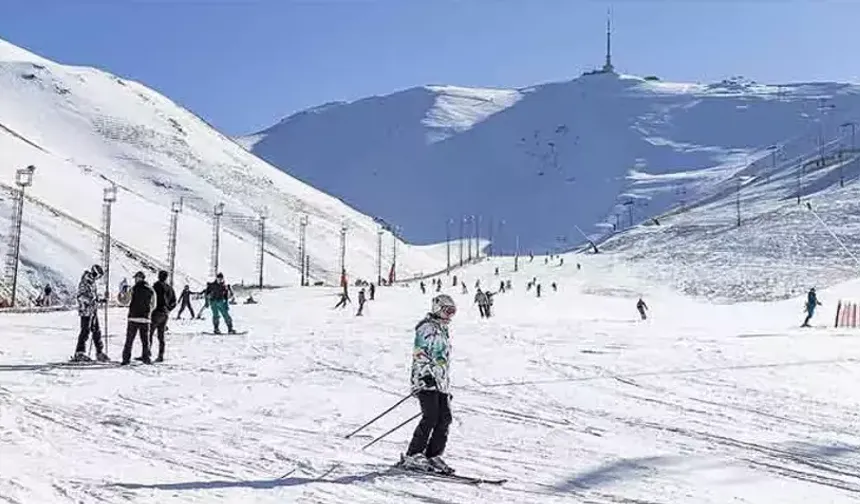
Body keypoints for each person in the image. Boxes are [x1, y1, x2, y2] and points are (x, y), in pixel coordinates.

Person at [400, 294, 457, 474]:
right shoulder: (426, 327)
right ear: (438, 308)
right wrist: (425, 376)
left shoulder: (442, 329)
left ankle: (433, 455)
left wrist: (445, 385)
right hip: (425, 380)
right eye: (447, 311)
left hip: (440, 382)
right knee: (430, 417)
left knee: (445, 418)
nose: (450, 315)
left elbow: (442, 358)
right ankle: (413, 454)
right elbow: (420, 353)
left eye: (453, 312)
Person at [73, 264, 109, 362]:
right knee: (85, 331)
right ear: (94, 273)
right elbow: (80, 296)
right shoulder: (85, 282)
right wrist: (90, 301)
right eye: (98, 276)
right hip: (86, 311)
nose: (98, 278)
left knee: (96, 330)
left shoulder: (92, 283)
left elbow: (94, 297)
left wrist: (101, 300)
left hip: (93, 310)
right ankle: (79, 352)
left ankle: (99, 352)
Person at [121, 271, 155, 366]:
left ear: (139, 278)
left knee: (129, 340)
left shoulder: (133, 289)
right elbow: (153, 304)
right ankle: (146, 358)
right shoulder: (151, 290)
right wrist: (148, 312)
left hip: (133, 317)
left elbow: (125, 302)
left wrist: (121, 295)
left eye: (136, 278)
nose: (135, 280)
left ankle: (126, 359)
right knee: (145, 341)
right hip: (145, 318)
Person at [149, 270, 176, 362]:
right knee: (161, 336)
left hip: (156, 312)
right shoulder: (170, 288)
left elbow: (151, 298)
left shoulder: (156, 286)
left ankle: (147, 353)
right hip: (165, 314)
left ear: (159, 276)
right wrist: (168, 309)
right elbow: (174, 302)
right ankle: (161, 355)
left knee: (149, 333)